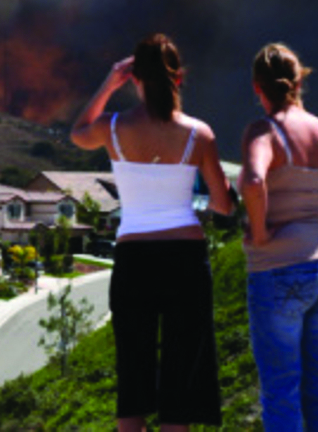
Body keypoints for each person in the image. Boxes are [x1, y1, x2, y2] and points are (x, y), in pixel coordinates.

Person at [71, 34, 233, 431]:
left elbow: (78, 132)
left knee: (134, 374)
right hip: (186, 261)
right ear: (179, 77)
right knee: (180, 380)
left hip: (134, 261)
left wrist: (109, 83)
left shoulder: (112, 128)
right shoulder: (200, 134)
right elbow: (222, 204)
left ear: (135, 79)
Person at [239, 43, 318, 430]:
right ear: (300, 80)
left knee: (281, 390)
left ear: (257, 87)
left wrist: (262, 232)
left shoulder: (263, 131)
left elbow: (253, 181)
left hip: (279, 269)